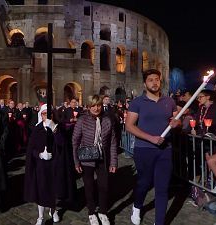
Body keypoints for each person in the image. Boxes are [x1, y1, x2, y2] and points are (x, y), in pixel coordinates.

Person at [125, 69, 180, 225]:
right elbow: (129, 126)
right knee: (144, 182)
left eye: (157, 79)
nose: (154, 82)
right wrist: (151, 138)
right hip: (144, 150)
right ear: (145, 83)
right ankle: (137, 206)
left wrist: (177, 123)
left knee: (162, 188)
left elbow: (176, 120)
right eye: (150, 80)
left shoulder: (169, 101)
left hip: (165, 151)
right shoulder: (137, 102)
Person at [72, 95, 118, 225]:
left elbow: (113, 142)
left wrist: (114, 161)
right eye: (93, 106)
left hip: (102, 158)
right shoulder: (82, 120)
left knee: (104, 186)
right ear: (88, 107)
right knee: (89, 186)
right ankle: (92, 212)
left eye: (98, 105)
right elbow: (75, 141)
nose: (96, 108)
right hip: (86, 158)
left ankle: (103, 212)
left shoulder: (107, 120)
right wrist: (76, 161)